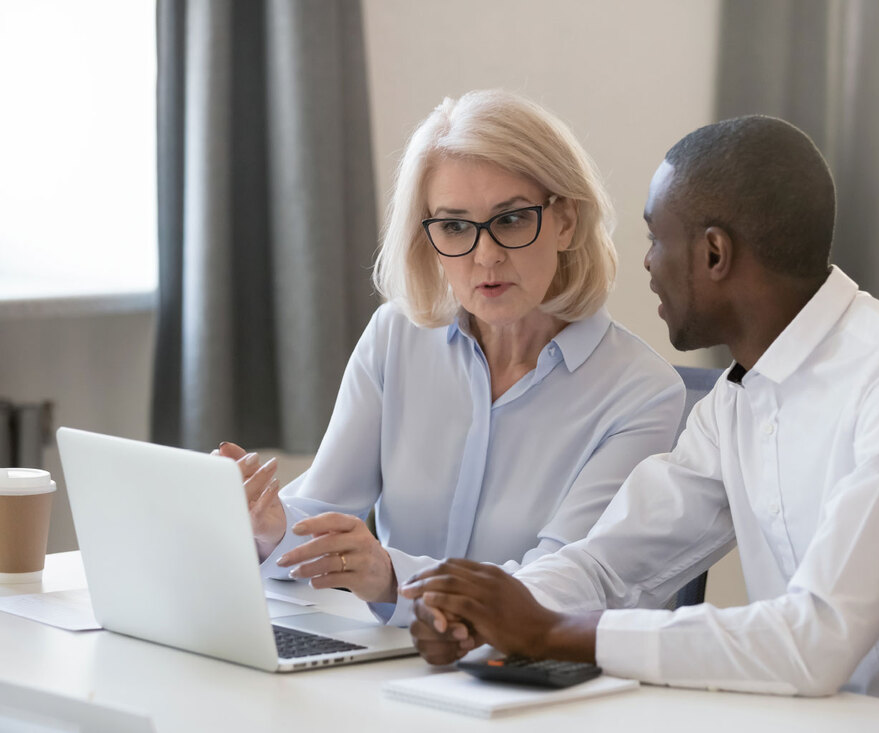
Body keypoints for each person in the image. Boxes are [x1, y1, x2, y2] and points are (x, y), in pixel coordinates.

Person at [401, 116, 879, 729]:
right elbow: (613, 562)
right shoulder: (737, 397)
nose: (648, 263)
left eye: (658, 237)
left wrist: (548, 631)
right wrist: (485, 613)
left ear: (714, 253)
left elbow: (814, 640)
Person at [216, 89, 685, 627]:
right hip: (389, 661)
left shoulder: (644, 393)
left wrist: (392, 577)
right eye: (455, 226)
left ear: (565, 222)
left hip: (529, 682)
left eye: (510, 220)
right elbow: (326, 510)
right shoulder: (396, 337)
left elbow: (563, 586)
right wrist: (270, 527)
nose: (485, 255)